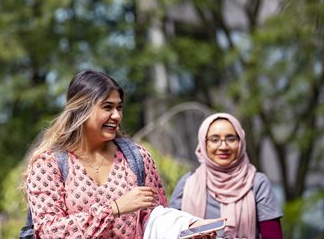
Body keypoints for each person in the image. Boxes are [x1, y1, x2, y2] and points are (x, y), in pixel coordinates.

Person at [23, 70, 220, 239]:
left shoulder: (137, 158)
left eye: (119, 107)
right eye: (107, 107)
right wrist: (114, 209)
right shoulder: (48, 164)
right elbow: (49, 231)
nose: (117, 115)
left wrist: (188, 228)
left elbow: (154, 220)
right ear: (81, 110)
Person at [169, 112, 284, 239]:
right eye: (214, 139)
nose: (223, 146)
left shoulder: (257, 183)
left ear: (241, 141)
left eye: (231, 138)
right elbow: (170, 233)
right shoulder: (186, 184)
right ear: (203, 144)